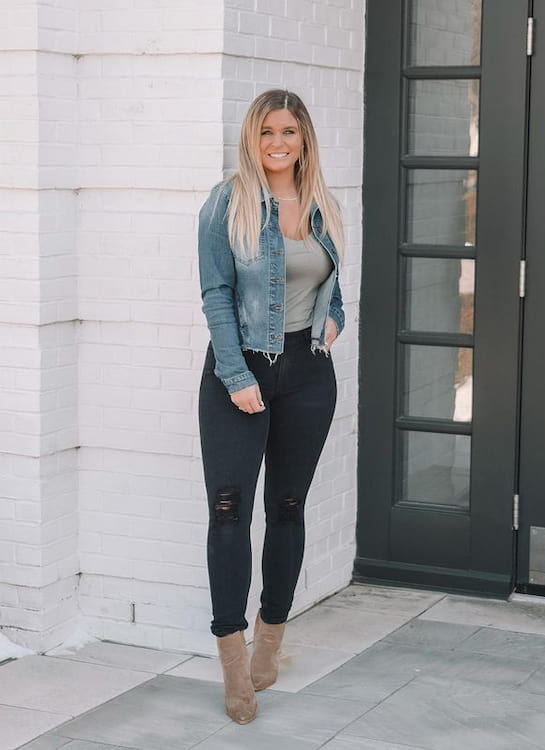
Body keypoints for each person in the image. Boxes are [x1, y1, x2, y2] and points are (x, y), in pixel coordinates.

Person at [197, 89, 345, 724]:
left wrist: (335, 320)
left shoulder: (323, 204)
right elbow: (216, 293)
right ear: (251, 140)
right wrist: (235, 375)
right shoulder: (226, 203)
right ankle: (233, 659)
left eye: (288, 131)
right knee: (230, 511)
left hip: (309, 375)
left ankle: (272, 638)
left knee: (287, 507)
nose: (278, 142)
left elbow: (332, 288)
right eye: (266, 133)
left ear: (304, 138)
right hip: (241, 371)